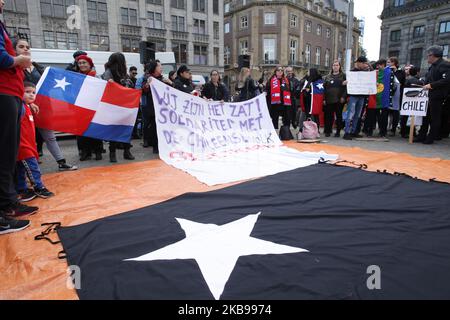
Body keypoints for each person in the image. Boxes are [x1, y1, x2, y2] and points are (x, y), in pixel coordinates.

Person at [1, 0, 38, 234]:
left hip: (9, 95)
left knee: (7, 154)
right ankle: (4, 211)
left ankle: (7, 203)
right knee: (4, 154)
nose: (3, 1)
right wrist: (16, 61)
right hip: (4, 94)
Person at [14, 38, 78, 171]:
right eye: (21, 46)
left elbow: (51, 82)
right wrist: (27, 102)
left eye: (27, 46)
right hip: (23, 107)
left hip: (43, 107)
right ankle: (27, 167)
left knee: (50, 136)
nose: (26, 49)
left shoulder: (37, 66)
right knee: (26, 137)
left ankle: (61, 162)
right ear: (14, 49)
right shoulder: (14, 68)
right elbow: (13, 88)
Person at [16, 82, 55, 202]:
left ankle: (22, 189)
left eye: (33, 93)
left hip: (29, 144)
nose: (31, 95)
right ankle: (38, 187)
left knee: (20, 169)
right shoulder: (20, 106)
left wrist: (31, 103)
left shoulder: (27, 106)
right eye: (27, 92)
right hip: (22, 146)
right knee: (33, 167)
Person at [102, 52, 135, 162]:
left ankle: (127, 151)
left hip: (126, 105)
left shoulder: (124, 73)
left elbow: (129, 86)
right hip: (114, 106)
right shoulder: (109, 72)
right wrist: (109, 83)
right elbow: (105, 86)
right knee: (114, 129)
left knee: (126, 128)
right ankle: (112, 152)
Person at [414, 45, 450, 144]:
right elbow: (429, 79)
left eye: (428, 55)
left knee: (435, 118)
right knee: (425, 117)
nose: (427, 57)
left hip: (438, 96)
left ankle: (431, 137)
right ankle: (422, 135)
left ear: (434, 55)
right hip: (428, 95)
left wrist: (431, 85)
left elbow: (446, 80)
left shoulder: (445, 65)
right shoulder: (432, 66)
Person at [75, 54, 104, 161]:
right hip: (81, 106)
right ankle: (85, 152)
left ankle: (97, 150)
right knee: (82, 130)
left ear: (89, 64)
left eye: (84, 63)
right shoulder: (76, 76)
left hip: (94, 107)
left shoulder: (97, 77)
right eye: (80, 63)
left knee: (95, 129)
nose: (82, 65)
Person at [142, 60, 166, 154]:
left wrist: (170, 83)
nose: (161, 68)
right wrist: (148, 84)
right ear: (154, 68)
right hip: (152, 107)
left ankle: (162, 145)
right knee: (154, 127)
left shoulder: (162, 79)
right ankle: (155, 146)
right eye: (159, 66)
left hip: (163, 108)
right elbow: (144, 90)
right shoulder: (148, 78)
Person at [343, 56, 370, 140]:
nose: (365, 65)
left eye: (365, 63)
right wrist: (345, 83)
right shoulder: (352, 72)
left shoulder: (366, 72)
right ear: (359, 63)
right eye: (364, 63)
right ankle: (347, 132)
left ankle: (354, 131)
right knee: (350, 114)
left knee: (357, 115)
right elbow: (346, 83)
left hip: (361, 96)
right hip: (353, 96)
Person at [266, 66, 293, 139]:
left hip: (285, 103)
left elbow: (290, 91)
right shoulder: (271, 80)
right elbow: (267, 91)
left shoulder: (286, 80)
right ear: (275, 72)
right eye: (278, 70)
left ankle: (285, 134)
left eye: (281, 70)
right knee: (275, 119)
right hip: (275, 104)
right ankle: (275, 135)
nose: (280, 71)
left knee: (286, 119)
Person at [323, 60, 347, 137]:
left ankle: (338, 131)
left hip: (339, 99)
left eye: (337, 65)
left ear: (340, 66)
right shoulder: (327, 77)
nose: (335, 66)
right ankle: (328, 131)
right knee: (328, 116)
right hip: (329, 99)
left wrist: (343, 96)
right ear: (332, 67)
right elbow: (324, 88)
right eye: (334, 65)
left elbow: (347, 88)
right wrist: (324, 99)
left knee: (339, 116)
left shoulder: (343, 76)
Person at [400, 66, 424, 138]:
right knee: (412, 117)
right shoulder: (419, 81)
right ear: (417, 72)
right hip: (415, 102)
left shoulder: (407, 80)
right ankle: (411, 132)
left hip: (406, 101)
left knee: (405, 117)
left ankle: (403, 132)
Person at [299, 68, 323, 133]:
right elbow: (302, 89)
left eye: (308, 71)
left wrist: (309, 91)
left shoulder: (319, 81)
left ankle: (316, 130)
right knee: (306, 116)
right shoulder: (307, 80)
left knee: (315, 117)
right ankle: (306, 131)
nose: (307, 73)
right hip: (307, 102)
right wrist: (305, 91)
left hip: (314, 103)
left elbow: (318, 92)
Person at [387, 57, 406, 136]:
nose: (387, 63)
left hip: (396, 95)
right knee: (386, 112)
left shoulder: (400, 72)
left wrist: (395, 72)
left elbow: (400, 81)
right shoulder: (387, 70)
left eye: (389, 62)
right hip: (387, 94)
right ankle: (385, 128)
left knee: (395, 113)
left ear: (394, 63)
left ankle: (393, 129)